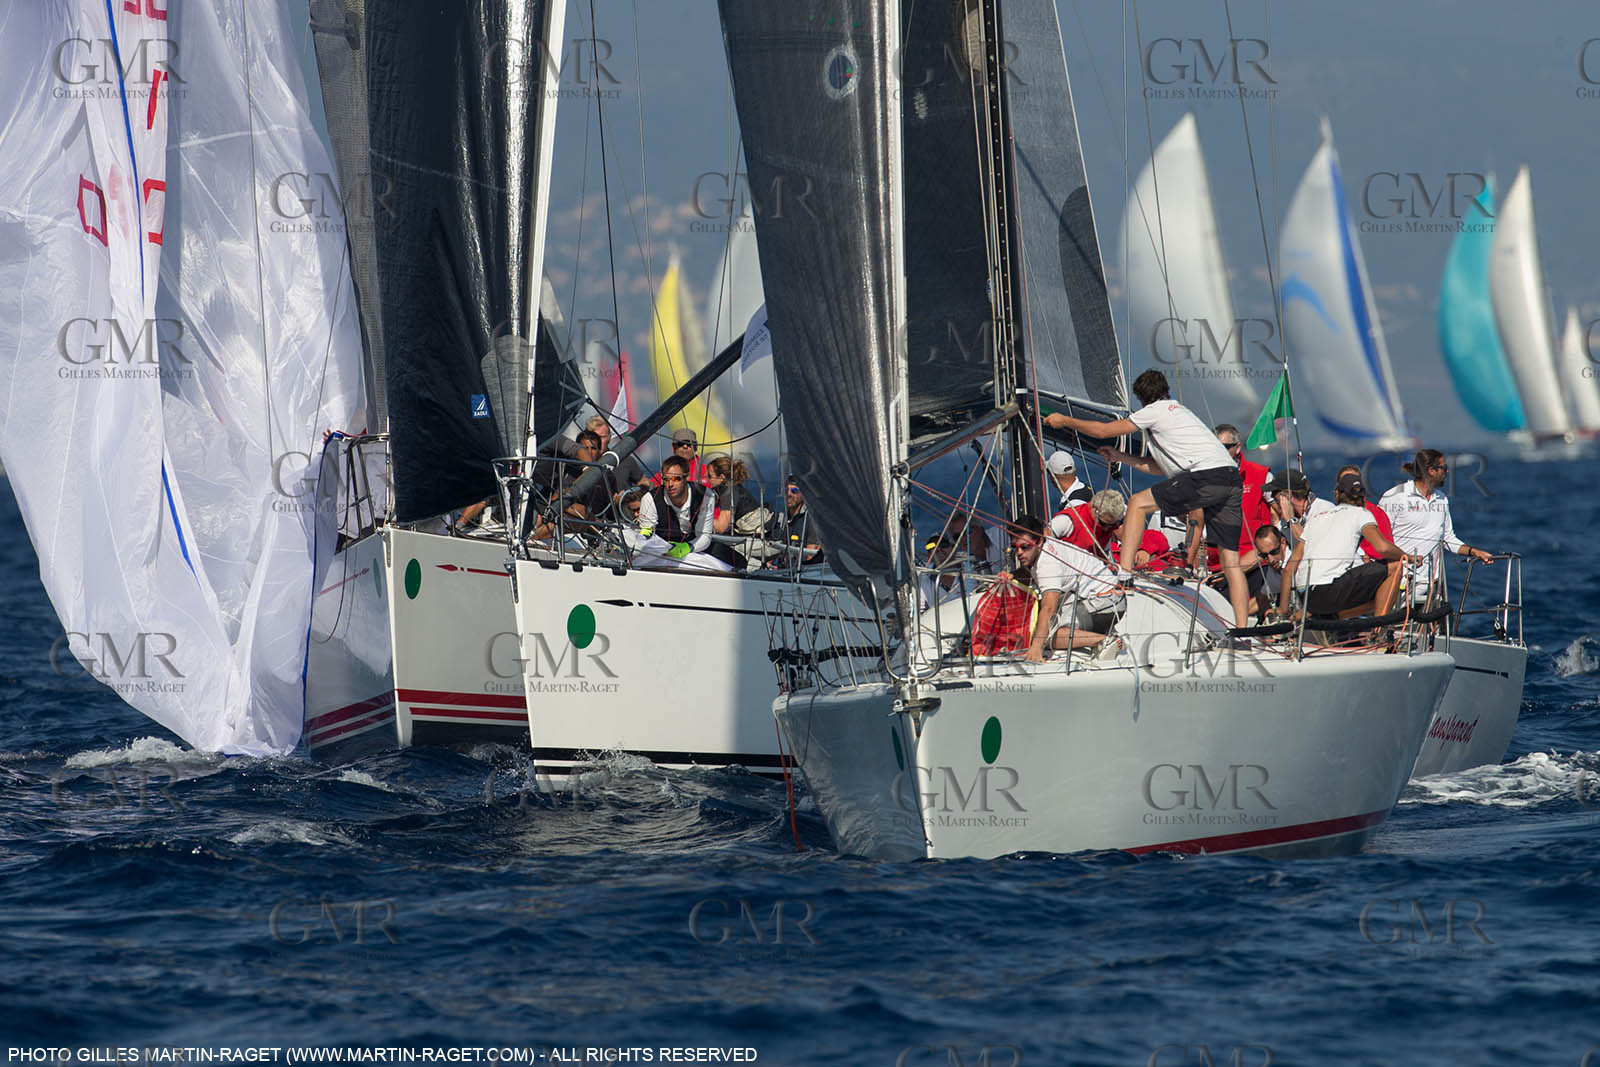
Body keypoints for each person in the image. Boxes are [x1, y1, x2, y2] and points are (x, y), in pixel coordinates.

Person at [1044, 369, 1250, 628]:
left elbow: (1102, 430)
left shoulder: (1154, 410)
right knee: (1230, 559)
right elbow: (1159, 467)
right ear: (1166, 390)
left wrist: (1065, 420)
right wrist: (1120, 457)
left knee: (1137, 503)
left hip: (1205, 476)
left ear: (1141, 399)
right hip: (1230, 479)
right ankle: (1242, 632)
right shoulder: (1181, 414)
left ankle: (1125, 575)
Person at [1279, 472, 1415, 619]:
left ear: (1337, 494)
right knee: (1396, 565)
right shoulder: (1361, 513)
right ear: (1363, 497)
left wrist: (1283, 609)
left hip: (1307, 598)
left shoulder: (1317, 518)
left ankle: (1330, 617)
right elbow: (1383, 548)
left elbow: (1289, 569)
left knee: (1381, 595)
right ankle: (1379, 630)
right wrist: (1409, 557)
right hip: (1330, 592)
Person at [1379, 448, 1495, 603]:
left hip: (1432, 584)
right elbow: (1379, 538)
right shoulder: (1395, 496)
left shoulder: (1441, 499)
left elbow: (1448, 538)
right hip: (1400, 583)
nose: (1447, 472)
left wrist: (1475, 552)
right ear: (1431, 471)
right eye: (1444, 468)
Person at [1002, 515, 1122, 662]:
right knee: (1043, 628)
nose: (1019, 552)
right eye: (1015, 547)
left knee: (1047, 637)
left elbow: (1049, 608)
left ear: (1039, 542)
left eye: (1025, 547)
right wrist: (1011, 577)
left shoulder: (1048, 564)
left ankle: (1105, 640)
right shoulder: (1044, 548)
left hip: (1107, 602)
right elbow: (1030, 573)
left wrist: (1036, 648)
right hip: (1104, 597)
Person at [636, 454, 729, 571]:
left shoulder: (706, 495)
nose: (670, 484)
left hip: (694, 548)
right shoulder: (650, 498)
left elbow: (705, 536)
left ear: (687, 477)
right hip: (662, 551)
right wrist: (643, 536)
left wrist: (687, 547)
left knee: (733, 560)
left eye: (676, 479)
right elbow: (646, 531)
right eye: (666, 479)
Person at [703, 454, 762, 570]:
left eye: (710, 476)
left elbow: (721, 527)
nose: (706, 478)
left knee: (718, 548)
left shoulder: (729, 492)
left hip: (761, 539)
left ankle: (756, 567)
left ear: (721, 477)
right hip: (753, 535)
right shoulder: (732, 488)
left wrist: (699, 519)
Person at [1263, 469, 1333, 551]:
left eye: (1274, 492)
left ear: (1288, 494)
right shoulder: (1284, 522)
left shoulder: (1325, 511)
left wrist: (1291, 519)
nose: (1272, 496)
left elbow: (1312, 549)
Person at [587, 414, 650, 493]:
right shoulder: (582, 463)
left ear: (609, 437)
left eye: (603, 437)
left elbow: (644, 482)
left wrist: (632, 496)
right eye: (595, 437)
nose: (599, 441)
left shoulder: (626, 460)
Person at [776, 477, 824, 566]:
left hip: (801, 575)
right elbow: (773, 550)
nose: (789, 494)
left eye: (794, 491)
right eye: (786, 490)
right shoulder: (781, 519)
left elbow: (810, 557)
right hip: (779, 574)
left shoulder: (812, 520)